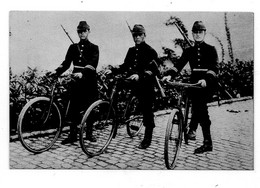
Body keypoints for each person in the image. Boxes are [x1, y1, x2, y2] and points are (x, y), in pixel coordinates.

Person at [162, 21, 218, 154]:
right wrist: (170, 75)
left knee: (201, 110)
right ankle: (191, 128)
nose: (198, 35)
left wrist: (206, 79)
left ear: (204, 33)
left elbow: (214, 68)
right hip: (193, 83)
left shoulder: (211, 49)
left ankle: (207, 143)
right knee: (194, 105)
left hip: (206, 84)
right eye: (195, 32)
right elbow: (179, 65)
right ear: (192, 34)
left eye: (200, 32)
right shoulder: (189, 51)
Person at [109, 24, 161, 149]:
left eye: (139, 35)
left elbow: (154, 70)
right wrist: (113, 70)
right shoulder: (131, 51)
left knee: (147, 109)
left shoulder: (150, 51)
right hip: (133, 82)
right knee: (113, 87)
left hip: (145, 84)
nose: (137, 37)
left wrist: (140, 76)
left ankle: (147, 138)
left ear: (144, 35)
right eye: (135, 35)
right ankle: (116, 119)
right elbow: (125, 66)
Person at [51, 21, 99, 144]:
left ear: (89, 31)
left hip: (89, 81)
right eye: (79, 32)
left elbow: (93, 64)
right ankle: (73, 136)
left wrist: (83, 73)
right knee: (74, 108)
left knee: (90, 108)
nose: (82, 34)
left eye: (84, 31)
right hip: (76, 82)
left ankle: (89, 134)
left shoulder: (94, 48)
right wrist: (56, 72)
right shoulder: (73, 48)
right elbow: (67, 62)